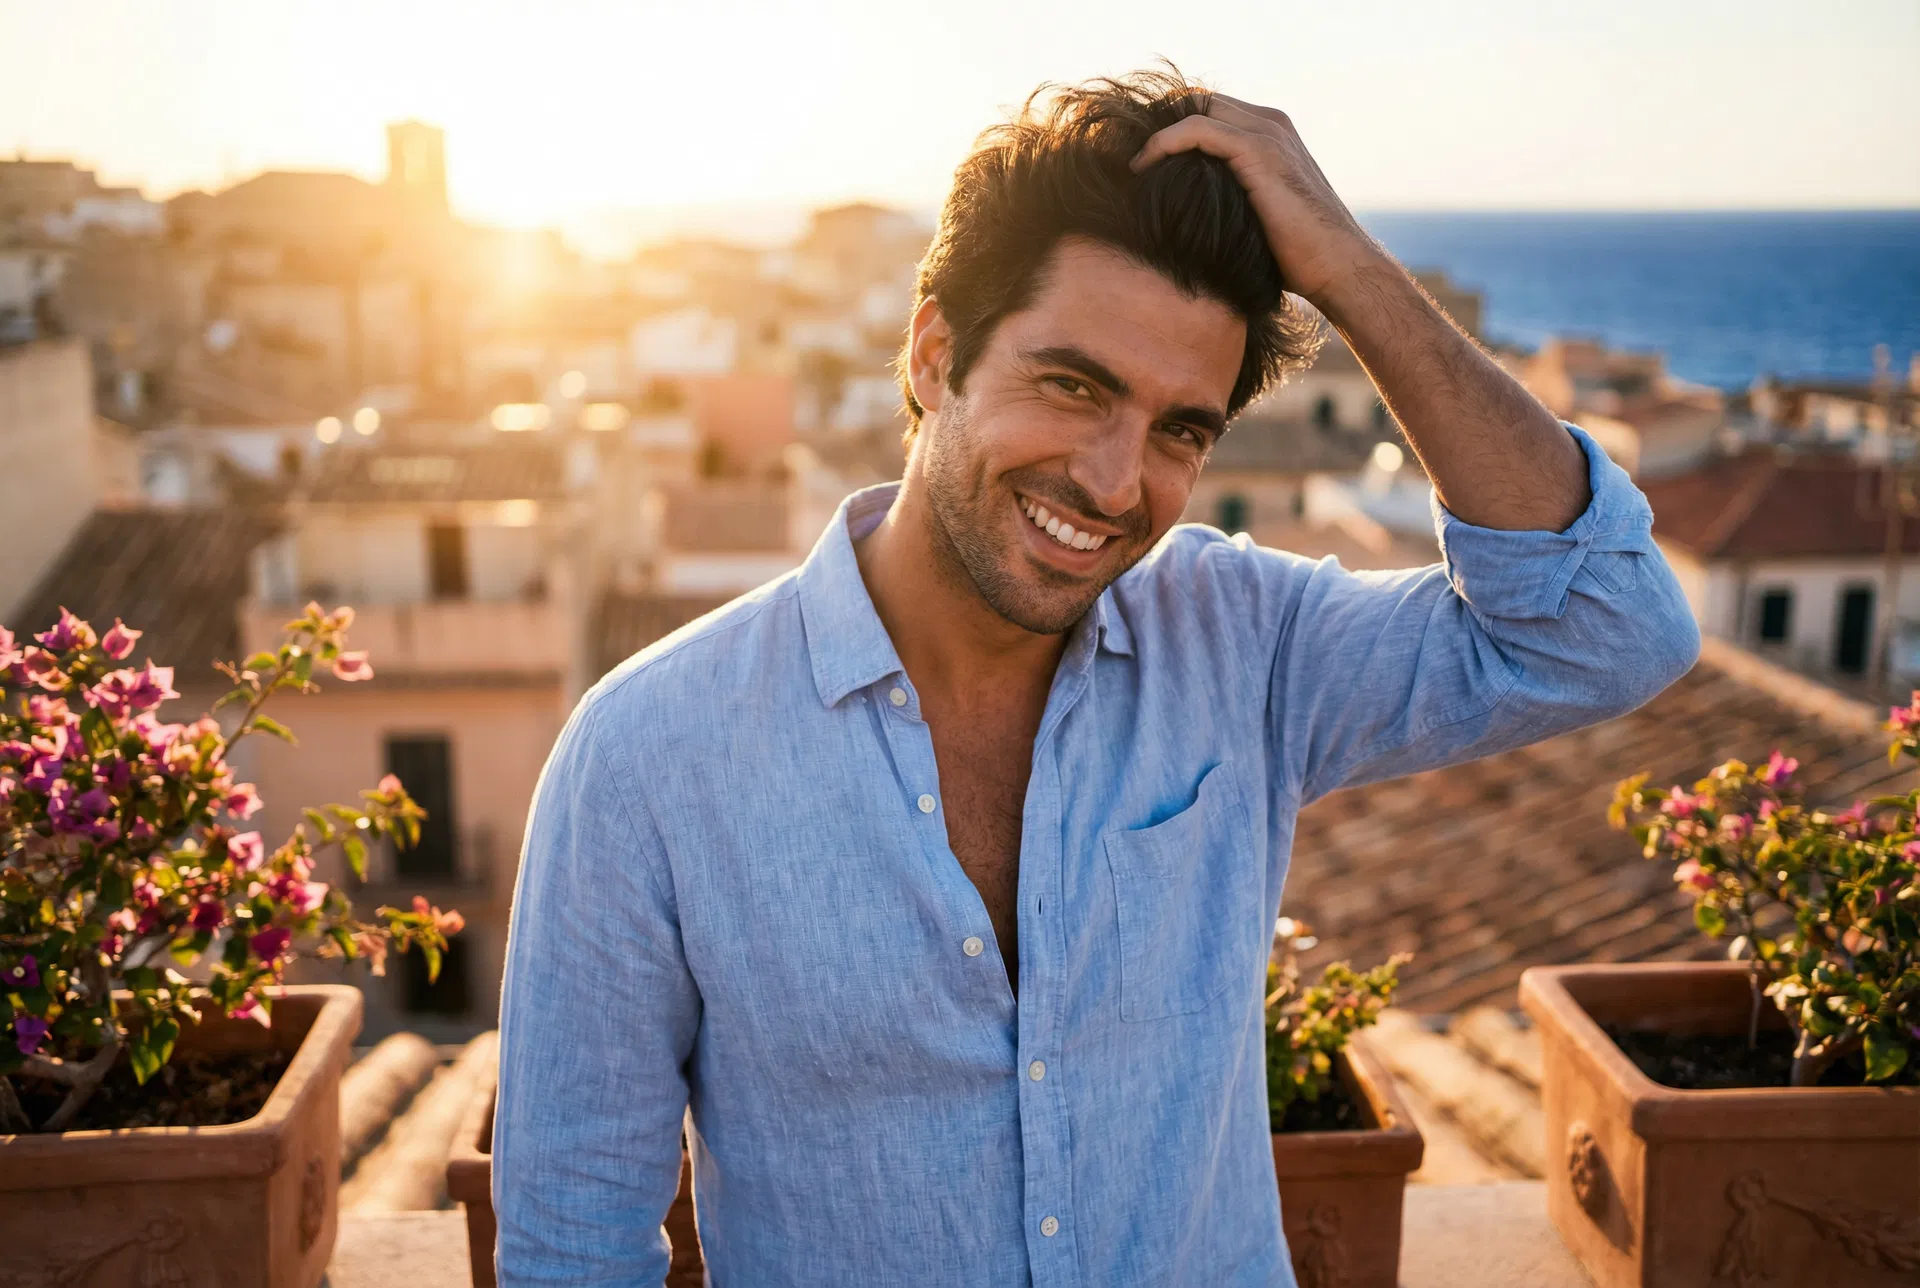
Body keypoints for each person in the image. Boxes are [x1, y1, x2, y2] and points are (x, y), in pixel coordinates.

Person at [492, 68, 1699, 1286]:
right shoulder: (649, 753)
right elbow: (572, 1241)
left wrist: (1343, 269)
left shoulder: (1246, 644)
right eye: (1074, 386)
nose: (1117, 484)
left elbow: (1610, 627)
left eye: (1182, 428)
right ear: (933, 354)